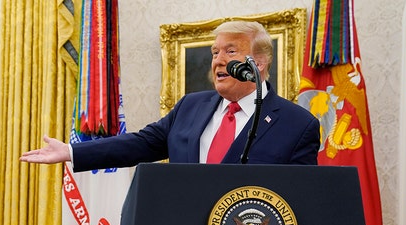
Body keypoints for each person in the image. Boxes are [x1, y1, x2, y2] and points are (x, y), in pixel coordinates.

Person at [20, 21, 320, 170]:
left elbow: (299, 201)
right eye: (215, 52)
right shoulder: (192, 106)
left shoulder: (297, 125)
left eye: (230, 51)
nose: (218, 60)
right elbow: (144, 143)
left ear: (259, 63)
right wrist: (73, 152)